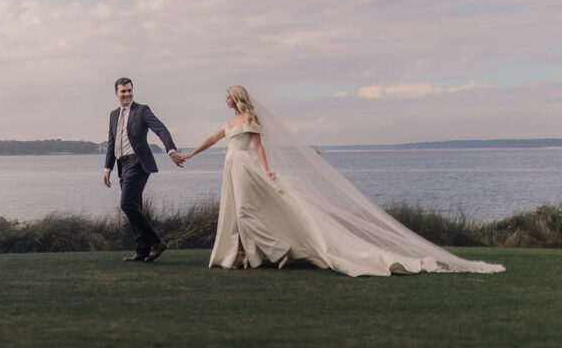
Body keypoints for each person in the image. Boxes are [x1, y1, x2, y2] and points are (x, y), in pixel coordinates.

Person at [178, 85, 504, 277]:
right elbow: (211, 138)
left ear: (236, 98)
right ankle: (242, 254)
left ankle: (276, 250)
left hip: (246, 166)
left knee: (248, 211)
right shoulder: (229, 121)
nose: (225, 100)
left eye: (227, 96)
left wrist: (267, 169)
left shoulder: (249, 119)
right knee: (235, 211)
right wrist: (190, 155)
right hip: (230, 166)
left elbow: (259, 148)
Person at [103, 77, 184, 262]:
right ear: (116, 93)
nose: (127, 94)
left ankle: (156, 243)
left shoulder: (142, 110)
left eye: (129, 90)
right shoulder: (113, 115)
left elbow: (161, 129)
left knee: (127, 205)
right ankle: (142, 249)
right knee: (134, 206)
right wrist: (107, 167)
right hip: (122, 164)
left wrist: (171, 150)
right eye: (123, 91)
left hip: (138, 163)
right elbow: (111, 142)